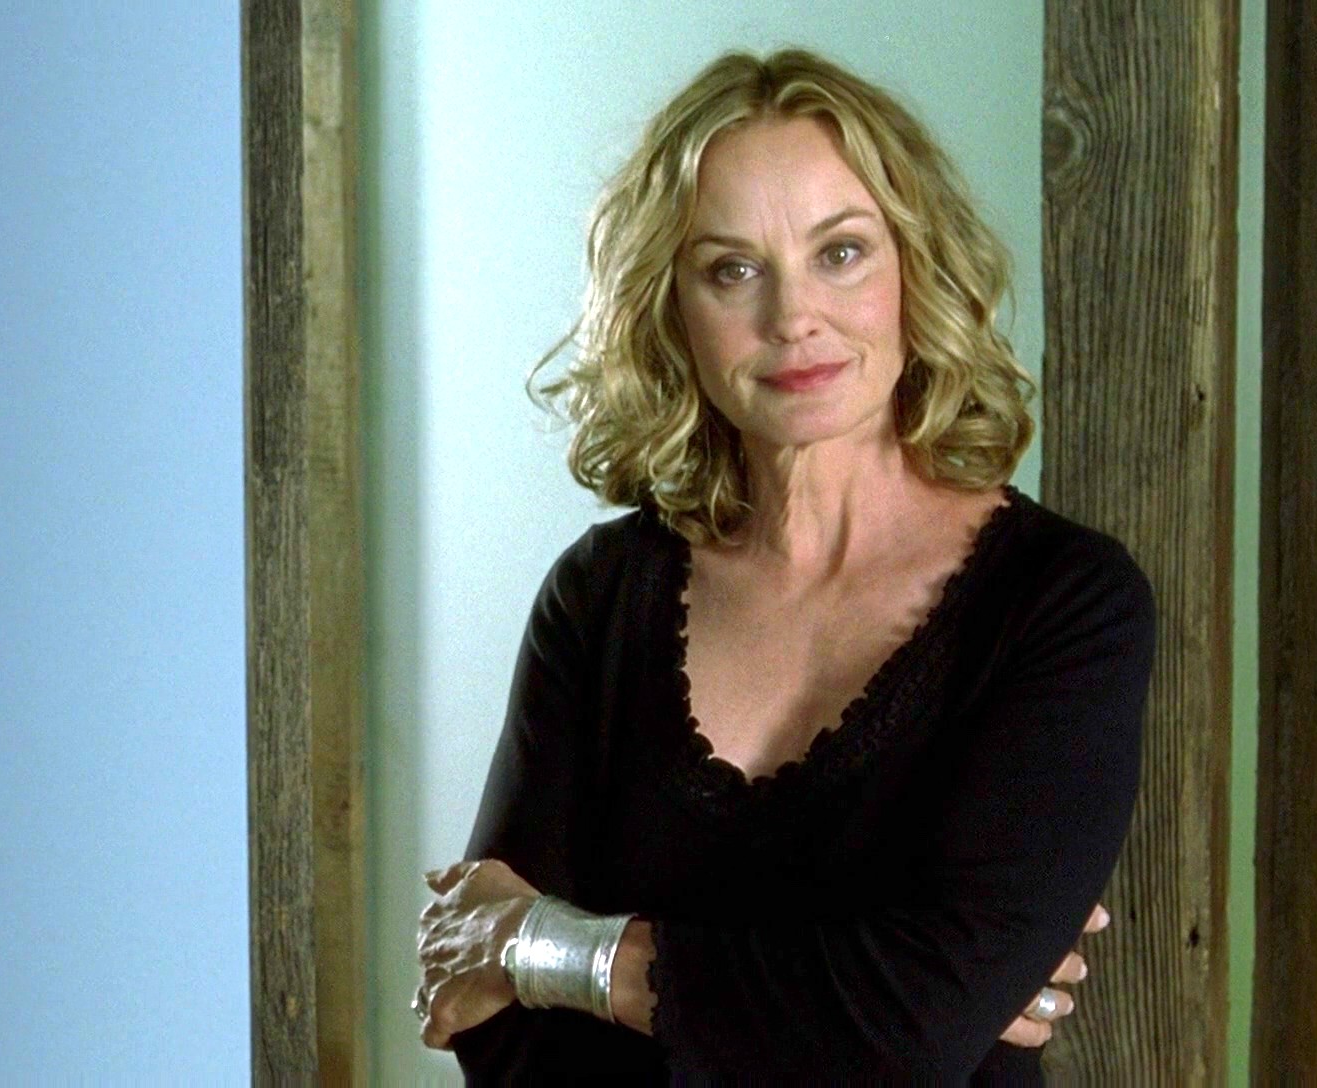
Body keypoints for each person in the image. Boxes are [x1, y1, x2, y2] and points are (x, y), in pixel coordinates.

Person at [413, 47, 1155, 1083]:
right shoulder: (598, 597)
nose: (792, 317)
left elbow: (915, 1026)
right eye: (732, 269)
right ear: (671, 308)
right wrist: (853, 984)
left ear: (916, 267)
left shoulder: (1064, 600)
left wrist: (559, 951)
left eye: (840, 252)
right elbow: (496, 1031)